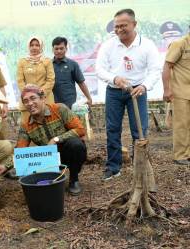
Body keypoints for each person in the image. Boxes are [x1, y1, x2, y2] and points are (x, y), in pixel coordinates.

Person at [95, 9, 160, 180]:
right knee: (112, 129)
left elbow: (154, 70)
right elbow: (99, 69)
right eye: (116, 27)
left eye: (123, 26)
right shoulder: (109, 45)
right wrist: (114, 78)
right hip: (114, 92)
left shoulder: (147, 45)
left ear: (134, 24)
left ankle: (140, 165)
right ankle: (113, 167)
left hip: (137, 91)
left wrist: (145, 86)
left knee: (139, 130)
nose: (119, 30)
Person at [16, 84, 86, 195]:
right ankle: (51, 180)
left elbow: (80, 129)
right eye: (25, 101)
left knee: (76, 144)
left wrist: (57, 139)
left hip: (68, 152)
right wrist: (4, 167)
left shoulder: (59, 109)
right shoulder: (26, 125)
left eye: (33, 98)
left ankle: (74, 179)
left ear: (43, 98)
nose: (30, 103)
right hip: (48, 160)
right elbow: (19, 151)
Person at [162, 29, 190, 165]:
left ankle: (188, 153)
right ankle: (180, 155)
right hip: (181, 92)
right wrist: (167, 90)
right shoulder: (179, 44)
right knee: (182, 124)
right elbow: (167, 66)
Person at [17, 36, 55, 122]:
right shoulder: (22, 61)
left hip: (45, 99)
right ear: (28, 46)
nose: (34, 47)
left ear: (41, 47)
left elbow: (51, 79)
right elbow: (20, 81)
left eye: (37, 45)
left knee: (49, 124)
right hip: (28, 100)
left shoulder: (47, 61)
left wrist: (40, 94)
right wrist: (29, 95)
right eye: (32, 45)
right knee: (27, 126)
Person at [52, 37, 92, 109]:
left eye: (61, 48)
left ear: (66, 49)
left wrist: (89, 98)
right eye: (56, 48)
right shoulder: (48, 65)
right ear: (53, 49)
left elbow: (81, 83)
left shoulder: (73, 64)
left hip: (69, 103)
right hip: (52, 103)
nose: (59, 51)